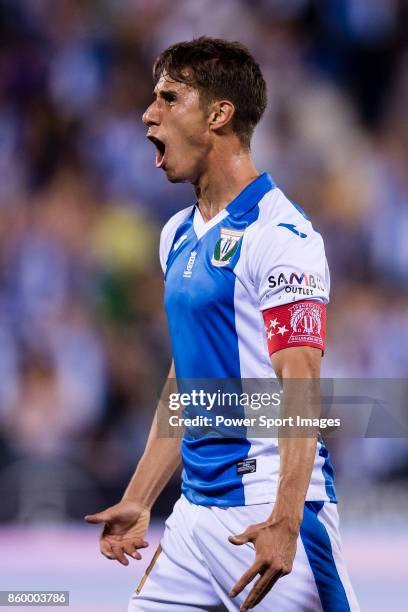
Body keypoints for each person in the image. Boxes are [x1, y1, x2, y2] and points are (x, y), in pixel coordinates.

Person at [85, 37, 360, 611]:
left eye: (168, 97)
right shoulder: (177, 236)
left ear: (218, 114)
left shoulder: (282, 238)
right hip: (193, 514)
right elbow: (187, 383)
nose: (148, 113)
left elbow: (302, 387)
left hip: (268, 507)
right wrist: (139, 498)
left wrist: (285, 518)